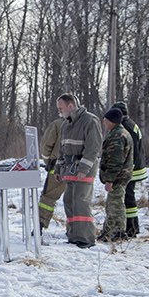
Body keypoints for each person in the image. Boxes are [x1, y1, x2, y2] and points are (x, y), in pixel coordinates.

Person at [55, 94, 103, 249]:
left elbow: (93, 147)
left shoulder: (89, 120)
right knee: (69, 200)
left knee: (81, 202)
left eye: (61, 108)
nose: (59, 112)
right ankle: (73, 234)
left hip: (84, 169)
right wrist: (58, 168)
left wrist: (84, 168)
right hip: (69, 169)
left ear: (70, 106)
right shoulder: (65, 125)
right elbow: (62, 149)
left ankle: (85, 238)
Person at [112, 101, 147, 237]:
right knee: (129, 196)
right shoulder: (131, 123)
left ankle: (131, 227)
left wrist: (128, 168)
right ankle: (132, 226)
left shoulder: (126, 126)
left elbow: (131, 150)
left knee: (128, 197)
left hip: (132, 168)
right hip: (136, 167)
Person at [98, 108, 133, 241]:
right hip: (121, 176)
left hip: (117, 178)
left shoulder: (117, 136)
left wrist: (109, 180)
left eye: (105, 120)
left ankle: (118, 232)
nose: (104, 123)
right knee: (113, 203)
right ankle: (109, 231)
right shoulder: (122, 133)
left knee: (115, 205)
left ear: (112, 121)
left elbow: (115, 161)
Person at [37, 114, 66, 232]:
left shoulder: (57, 124)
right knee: (75, 200)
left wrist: (47, 160)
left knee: (48, 197)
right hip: (78, 169)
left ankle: (40, 224)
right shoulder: (83, 123)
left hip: (57, 166)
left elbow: (46, 144)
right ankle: (77, 231)